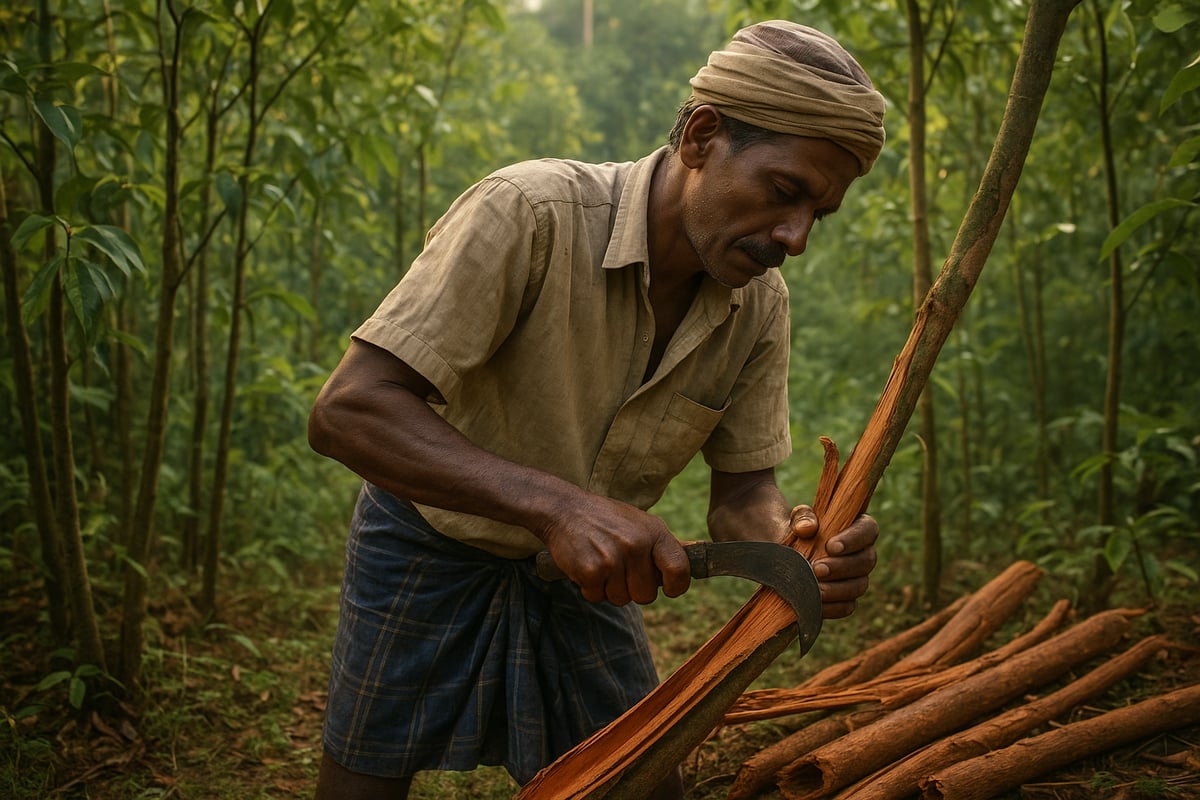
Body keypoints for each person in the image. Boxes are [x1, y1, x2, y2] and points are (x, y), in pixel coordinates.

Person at [308, 19, 887, 800]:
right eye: (785, 193)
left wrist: (795, 548)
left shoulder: (758, 307)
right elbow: (349, 411)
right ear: (702, 136)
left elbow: (744, 495)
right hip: (428, 540)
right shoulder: (530, 212)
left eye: (820, 213)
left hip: (584, 581)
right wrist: (560, 508)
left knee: (644, 784)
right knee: (364, 778)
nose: (796, 236)